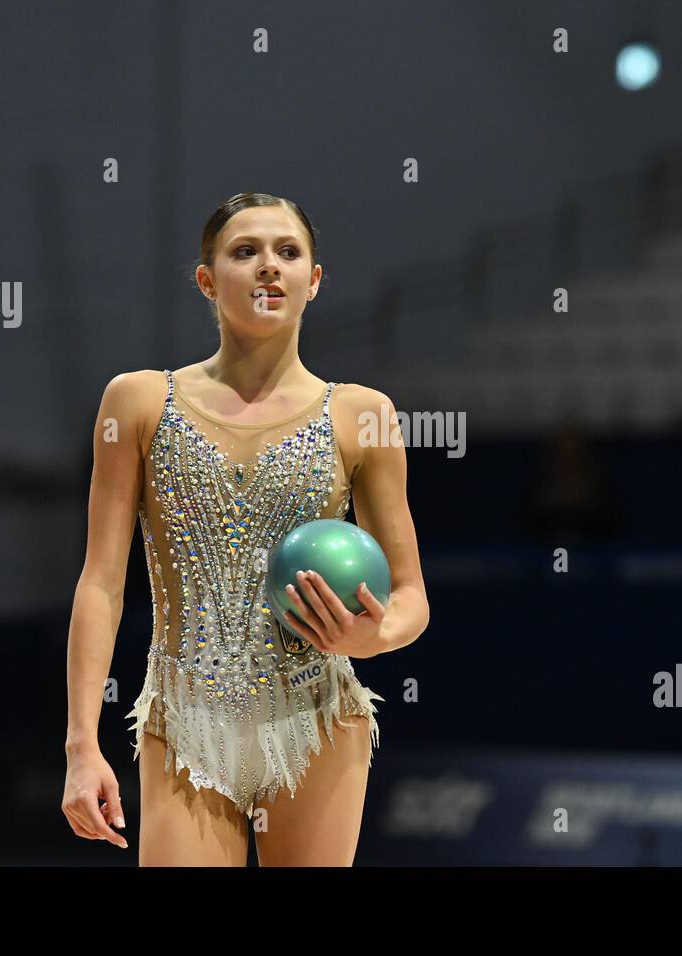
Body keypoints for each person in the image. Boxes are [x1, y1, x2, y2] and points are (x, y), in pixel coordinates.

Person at [62, 192, 430, 866]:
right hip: (185, 721)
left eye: (288, 253)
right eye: (245, 252)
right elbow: (101, 585)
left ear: (313, 281)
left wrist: (372, 635)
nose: (269, 267)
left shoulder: (363, 416)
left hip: (316, 716)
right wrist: (82, 746)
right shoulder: (139, 402)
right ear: (207, 279)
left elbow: (411, 597)